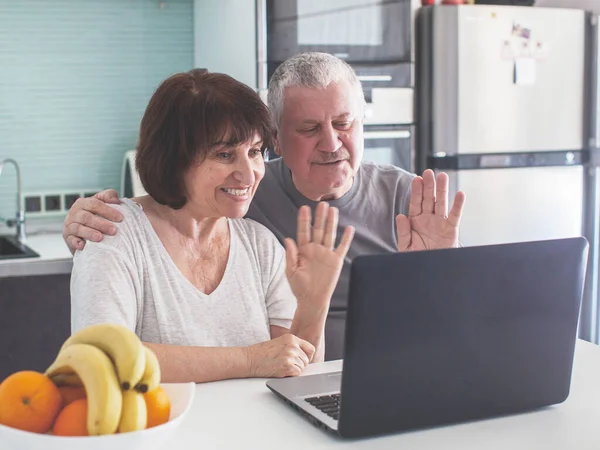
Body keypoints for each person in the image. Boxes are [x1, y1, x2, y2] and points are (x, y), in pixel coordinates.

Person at [63, 53, 465, 361]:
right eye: (309, 129)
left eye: (344, 124)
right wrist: (87, 220)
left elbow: (295, 361)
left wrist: (437, 276)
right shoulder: (245, 202)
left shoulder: (409, 199)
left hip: (385, 375)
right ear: (278, 137)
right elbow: (100, 356)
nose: (331, 144)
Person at [69, 68, 354, 383]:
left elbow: (296, 375)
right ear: (173, 158)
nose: (248, 175)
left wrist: (313, 305)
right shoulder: (111, 233)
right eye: (224, 154)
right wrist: (249, 359)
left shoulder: (261, 245)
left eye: (255, 152)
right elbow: (101, 359)